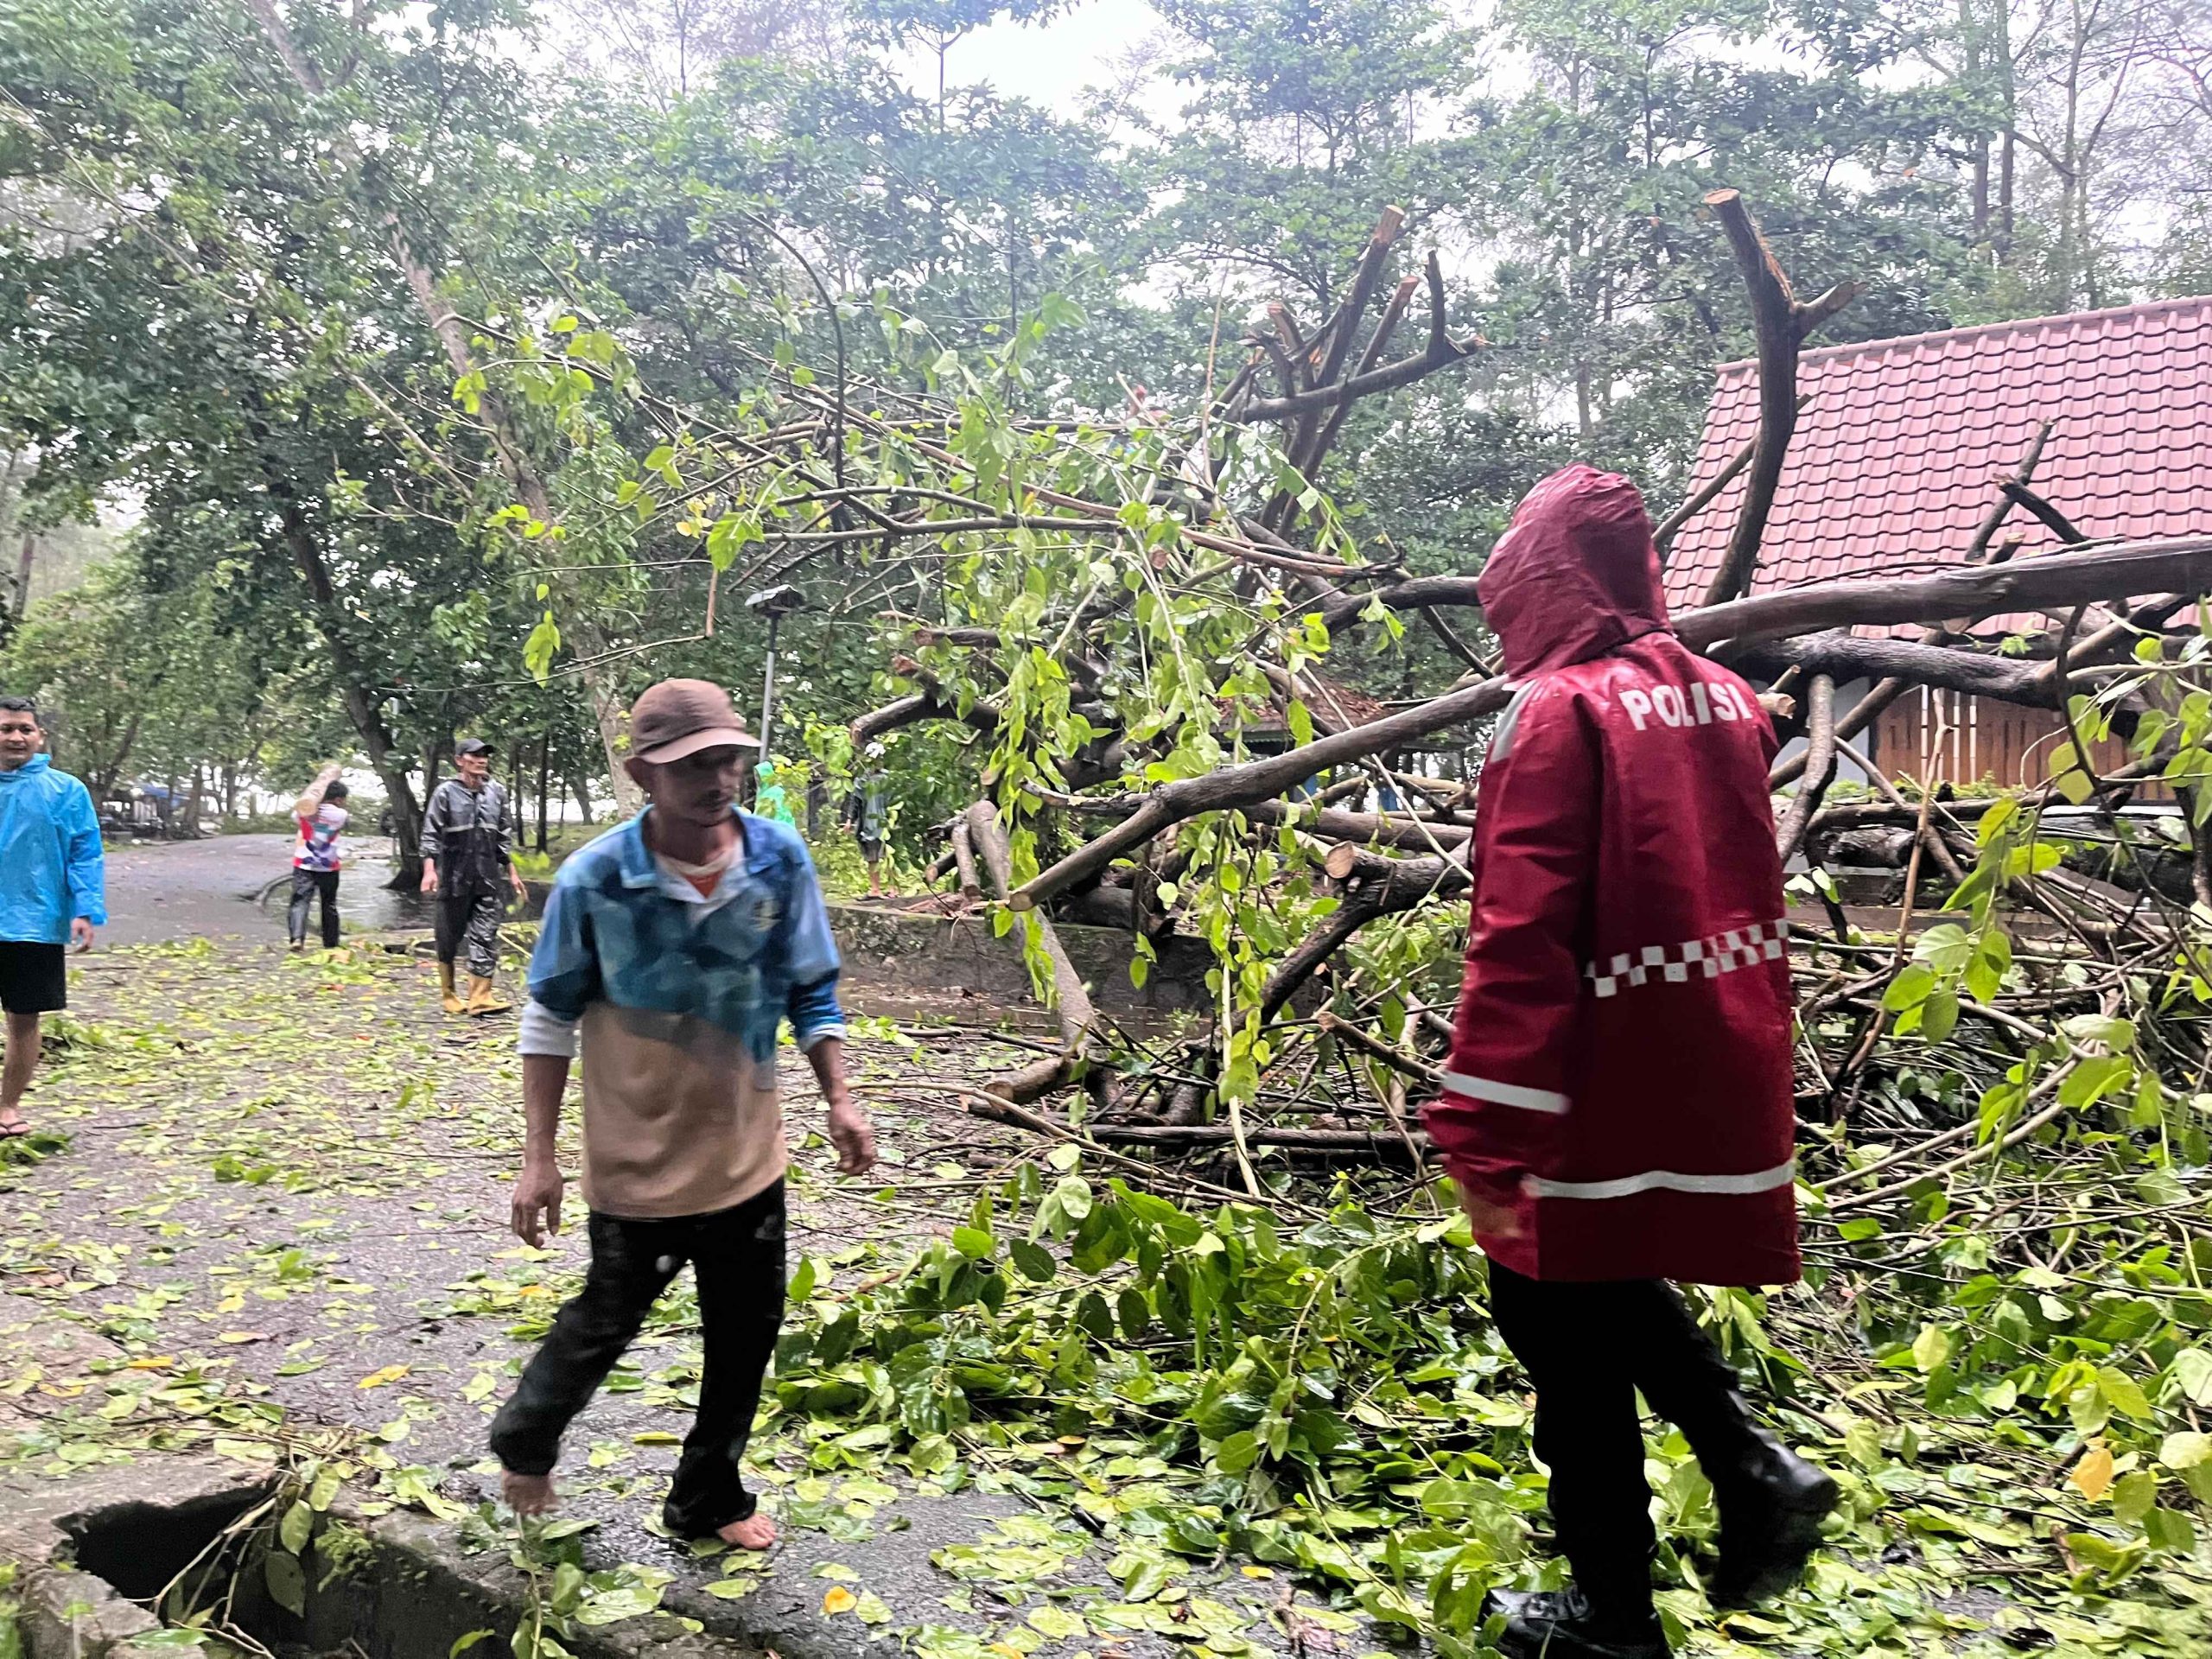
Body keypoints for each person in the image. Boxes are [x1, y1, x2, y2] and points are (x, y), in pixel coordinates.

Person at [1420, 467, 1835, 1659]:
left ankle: (1617, 1615)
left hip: (1586, 1065)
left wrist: (1482, 1120)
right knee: (1595, 1286)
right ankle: (1750, 1465)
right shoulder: (1726, 698)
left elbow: (1520, 930)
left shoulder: (1551, 715)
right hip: (1708, 1050)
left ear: (1542, 580)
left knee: (1554, 1320)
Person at [488, 678, 874, 1548]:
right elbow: (549, 1016)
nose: (719, 779)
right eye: (695, 765)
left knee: (747, 1335)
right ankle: (525, 1438)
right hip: (637, 1158)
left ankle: (706, 1495)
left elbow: (813, 988)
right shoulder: (595, 881)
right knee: (606, 1320)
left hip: (748, 1152)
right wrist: (538, 1157)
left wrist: (840, 1099)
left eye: (730, 759)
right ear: (641, 774)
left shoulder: (777, 860)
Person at [0, 696, 105, 1139]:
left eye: (25, 728)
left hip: (34, 922)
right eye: (6, 728)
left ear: (40, 736)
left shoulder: (66, 791)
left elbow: (85, 853)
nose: (16, 737)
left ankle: (7, 1107)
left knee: (24, 1019)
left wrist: (85, 908)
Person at [420, 737, 527, 1016]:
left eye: (484, 755)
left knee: (485, 934)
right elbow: (431, 832)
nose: (481, 760)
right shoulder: (445, 793)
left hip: (487, 877)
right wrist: (429, 869)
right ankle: (449, 993)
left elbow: (503, 835)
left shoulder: (497, 792)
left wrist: (512, 872)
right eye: (474, 755)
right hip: (453, 875)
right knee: (448, 935)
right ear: (459, 760)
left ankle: (480, 996)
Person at [287, 763, 349, 951]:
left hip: (303, 864)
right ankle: (331, 944)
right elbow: (345, 823)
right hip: (329, 866)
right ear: (338, 799)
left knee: (299, 901)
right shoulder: (341, 815)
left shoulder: (304, 814)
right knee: (329, 904)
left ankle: (297, 938)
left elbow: (295, 815)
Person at [845, 756, 892, 898]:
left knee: (890, 855)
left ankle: (892, 888)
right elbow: (855, 802)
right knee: (872, 857)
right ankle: (875, 889)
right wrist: (849, 820)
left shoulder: (888, 778)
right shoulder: (862, 781)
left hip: (887, 822)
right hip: (869, 824)